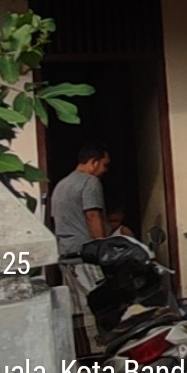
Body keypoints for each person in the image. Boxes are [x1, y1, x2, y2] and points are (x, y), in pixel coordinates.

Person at [50, 143, 110, 349]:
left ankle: (84, 350)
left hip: (66, 254)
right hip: (86, 254)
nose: (105, 170)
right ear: (93, 163)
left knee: (77, 306)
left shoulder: (61, 185)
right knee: (99, 301)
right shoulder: (90, 182)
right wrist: (102, 247)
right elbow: (92, 215)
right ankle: (102, 348)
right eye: (104, 165)